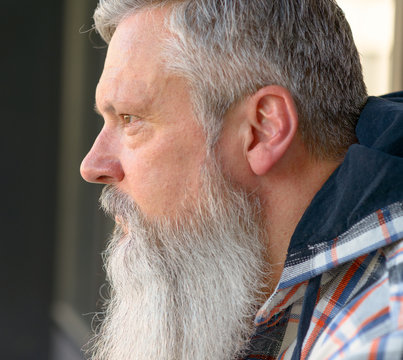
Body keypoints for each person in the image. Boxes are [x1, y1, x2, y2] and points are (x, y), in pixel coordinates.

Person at [79, 0, 403, 359]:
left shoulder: (380, 331)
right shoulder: (258, 279)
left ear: (263, 130)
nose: (93, 165)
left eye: (130, 118)